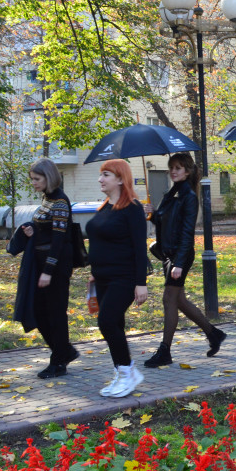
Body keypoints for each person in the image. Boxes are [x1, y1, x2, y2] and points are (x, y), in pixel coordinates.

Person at [142, 153, 227, 368]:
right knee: (179, 300)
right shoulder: (172, 192)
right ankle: (213, 334)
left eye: (178, 168)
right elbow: (166, 221)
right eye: (172, 167)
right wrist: (153, 214)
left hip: (180, 254)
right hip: (169, 254)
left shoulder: (188, 196)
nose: (173, 171)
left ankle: (165, 351)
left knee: (169, 299)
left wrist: (179, 263)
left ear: (187, 171)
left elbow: (188, 231)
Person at [86, 159, 149, 397]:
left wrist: (141, 283)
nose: (100, 179)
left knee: (107, 322)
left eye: (106, 175)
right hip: (102, 277)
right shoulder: (104, 208)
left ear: (121, 179)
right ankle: (122, 372)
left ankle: (127, 372)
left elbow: (139, 248)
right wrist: (94, 272)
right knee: (116, 325)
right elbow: (100, 242)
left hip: (123, 277)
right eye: (101, 175)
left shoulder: (132, 208)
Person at [18, 158, 77, 378]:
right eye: (32, 178)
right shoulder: (48, 199)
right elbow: (47, 230)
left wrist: (48, 272)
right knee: (39, 311)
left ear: (48, 177)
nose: (33, 182)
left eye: (36, 178)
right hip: (41, 262)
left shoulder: (60, 201)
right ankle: (64, 351)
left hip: (56, 265)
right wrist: (34, 233)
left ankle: (59, 361)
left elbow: (59, 241)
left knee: (55, 313)